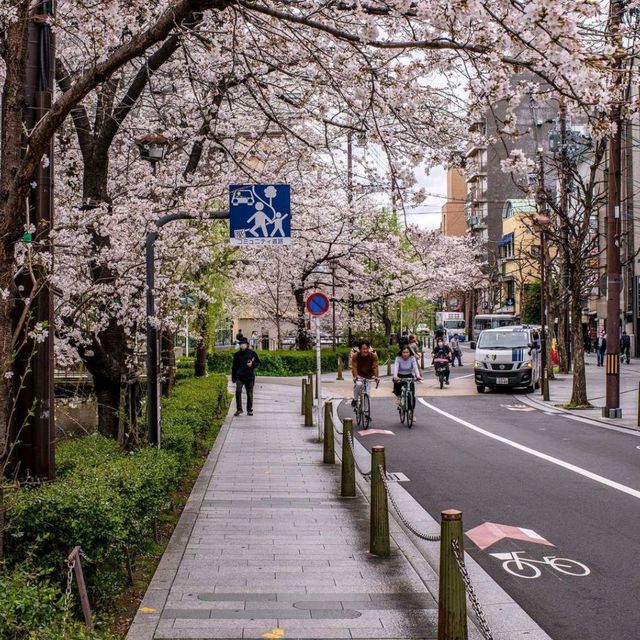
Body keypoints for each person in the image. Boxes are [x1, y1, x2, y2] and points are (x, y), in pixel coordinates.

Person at [231, 337, 261, 416]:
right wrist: (233, 377)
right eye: (240, 344)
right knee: (238, 392)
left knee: (249, 393)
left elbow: (258, 363)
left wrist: (252, 364)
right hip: (239, 377)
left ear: (247, 345)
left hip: (249, 376)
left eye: (243, 344)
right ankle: (239, 409)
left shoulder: (252, 353)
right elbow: (234, 367)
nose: (242, 346)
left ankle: (249, 409)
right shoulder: (237, 355)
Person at [350, 340, 379, 407]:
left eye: (367, 349)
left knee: (368, 394)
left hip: (369, 375)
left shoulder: (373, 356)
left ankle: (366, 413)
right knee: (358, 384)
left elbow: (375, 367)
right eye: (363, 349)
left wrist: (376, 377)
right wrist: (355, 376)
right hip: (359, 374)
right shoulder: (355, 356)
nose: (365, 350)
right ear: (360, 349)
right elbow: (354, 367)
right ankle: (355, 399)